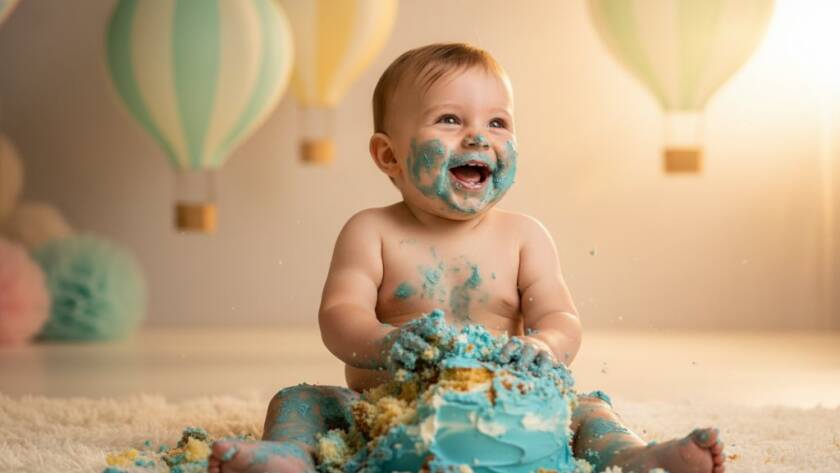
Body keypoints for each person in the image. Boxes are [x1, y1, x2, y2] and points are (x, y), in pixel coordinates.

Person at [208, 42, 726, 473]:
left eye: (498, 122)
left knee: (588, 408)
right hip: (385, 408)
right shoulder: (372, 230)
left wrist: (545, 346)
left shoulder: (525, 235)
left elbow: (561, 318)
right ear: (389, 155)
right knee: (300, 400)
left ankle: (636, 458)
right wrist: (386, 344)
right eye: (450, 119)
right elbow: (339, 317)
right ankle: (292, 456)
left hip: (510, 401)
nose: (478, 136)